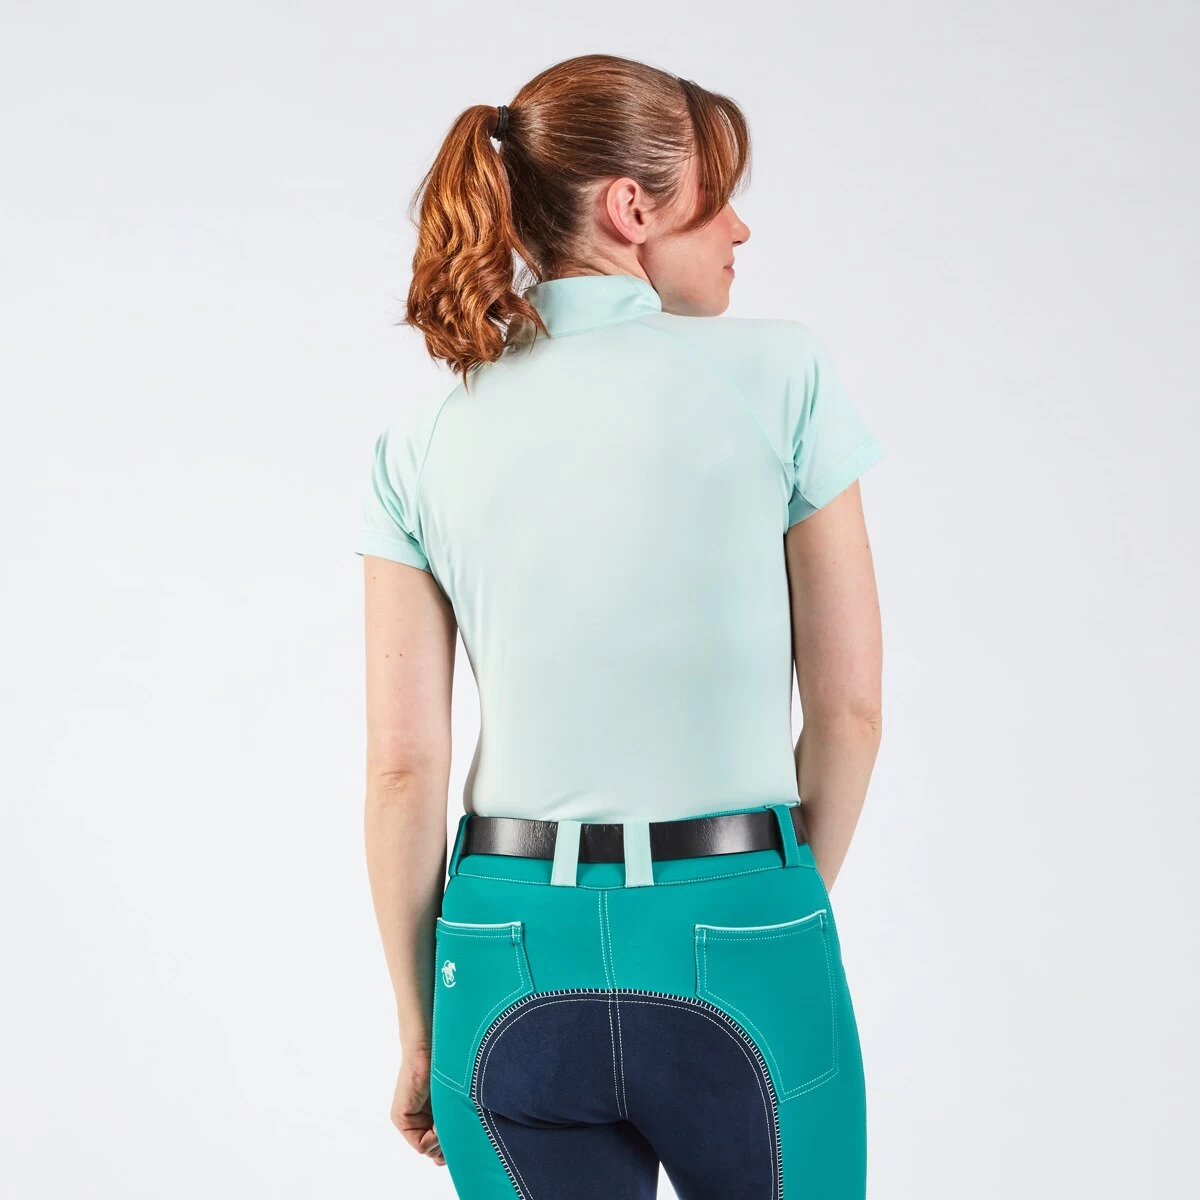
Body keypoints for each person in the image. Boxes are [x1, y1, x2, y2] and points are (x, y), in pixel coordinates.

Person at [354, 52, 884, 1200]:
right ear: (630, 209)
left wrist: (418, 1026)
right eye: (718, 196)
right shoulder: (782, 373)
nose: (741, 228)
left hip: (501, 958)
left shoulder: (419, 439)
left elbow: (403, 769)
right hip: (737, 917)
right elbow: (848, 711)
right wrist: (777, 920)